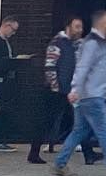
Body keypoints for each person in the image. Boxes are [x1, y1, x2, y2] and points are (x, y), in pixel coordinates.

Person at [51, 9, 106, 176]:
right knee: (104, 129)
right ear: (102, 23)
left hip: (87, 95)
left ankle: (60, 163)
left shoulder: (95, 43)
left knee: (79, 131)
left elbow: (103, 66)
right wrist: (75, 89)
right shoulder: (93, 44)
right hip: (93, 95)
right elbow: (82, 68)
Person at [31, 17, 94, 165]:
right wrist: (55, 86)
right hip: (57, 91)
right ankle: (33, 153)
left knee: (79, 121)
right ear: (68, 27)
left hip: (70, 89)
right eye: (77, 27)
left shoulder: (75, 45)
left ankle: (89, 154)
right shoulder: (57, 43)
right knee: (48, 121)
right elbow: (50, 66)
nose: (80, 30)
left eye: (81, 27)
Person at [0, 16, 21, 151]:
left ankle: (0, 139)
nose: (14, 33)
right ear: (6, 25)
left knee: (3, 109)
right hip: (0, 79)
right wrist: (11, 62)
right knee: (2, 109)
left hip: (4, 79)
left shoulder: (3, 41)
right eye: (13, 30)